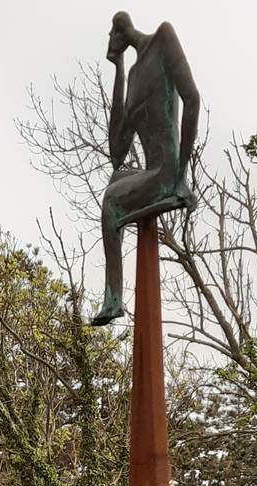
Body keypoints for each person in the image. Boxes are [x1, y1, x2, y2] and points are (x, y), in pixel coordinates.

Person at [90, 11, 201, 325]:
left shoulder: (163, 38)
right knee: (115, 177)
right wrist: (119, 69)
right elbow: (117, 150)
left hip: (168, 172)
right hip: (153, 172)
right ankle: (113, 295)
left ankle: (113, 299)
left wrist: (181, 176)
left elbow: (192, 99)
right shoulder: (134, 76)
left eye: (111, 37)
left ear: (118, 32)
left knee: (111, 201)